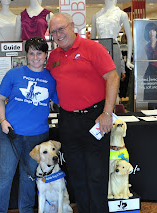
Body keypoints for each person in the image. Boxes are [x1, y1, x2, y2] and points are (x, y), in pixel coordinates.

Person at [46, 13, 119, 213]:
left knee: (96, 174)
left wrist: (107, 113)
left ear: (72, 26)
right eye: (53, 32)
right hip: (68, 119)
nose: (58, 35)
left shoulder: (93, 48)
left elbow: (112, 77)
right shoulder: (54, 56)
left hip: (94, 117)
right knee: (77, 174)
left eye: (61, 29)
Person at [0, 37, 59, 213]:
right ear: (26, 55)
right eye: (32, 53)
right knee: (5, 176)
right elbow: (0, 100)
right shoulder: (14, 74)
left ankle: (26, 210)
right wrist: (3, 121)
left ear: (45, 55)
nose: (35, 57)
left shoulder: (51, 79)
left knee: (29, 177)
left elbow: (62, 101)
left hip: (37, 137)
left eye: (39, 53)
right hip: (9, 134)